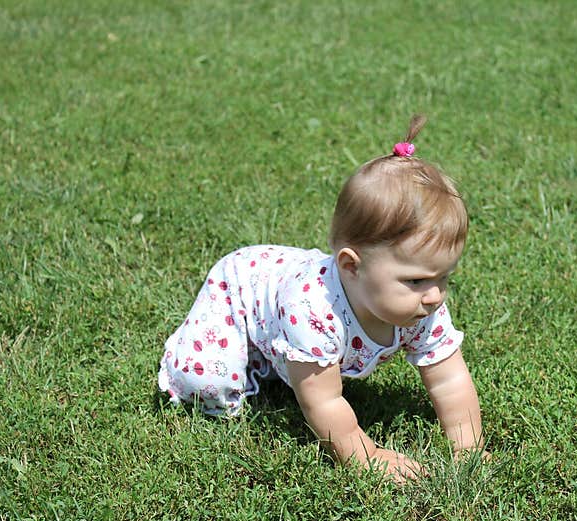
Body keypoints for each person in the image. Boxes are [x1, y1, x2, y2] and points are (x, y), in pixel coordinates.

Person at [158, 114, 485, 483]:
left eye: (444, 277)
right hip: (241, 292)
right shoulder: (313, 310)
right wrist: (368, 456)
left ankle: (275, 362)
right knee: (205, 384)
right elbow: (324, 402)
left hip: (279, 299)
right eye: (417, 280)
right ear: (351, 266)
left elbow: (449, 379)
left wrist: (468, 448)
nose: (436, 295)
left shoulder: (423, 303)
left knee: (299, 370)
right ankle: (249, 358)